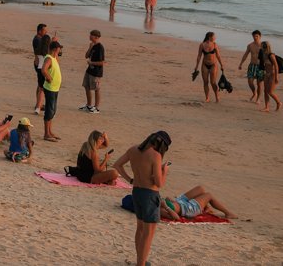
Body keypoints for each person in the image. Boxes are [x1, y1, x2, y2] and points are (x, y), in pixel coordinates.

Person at [113, 131, 172, 266]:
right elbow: (159, 183)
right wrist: (165, 171)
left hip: (137, 192)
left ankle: (141, 261)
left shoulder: (133, 149)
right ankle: (141, 263)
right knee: (149, 232)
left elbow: (117, 165)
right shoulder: (155, 155)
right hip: (150, 195)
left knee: (140, 229)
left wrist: (130, 179)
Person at [161, 185, 236, 220]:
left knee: (200, 188)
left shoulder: (153, 201)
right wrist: (166, 206)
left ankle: (206, 208)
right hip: (188, 209)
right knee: (209, 195)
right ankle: (228, 213)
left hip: (180, 202)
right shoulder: (157, 210)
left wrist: (169, 200)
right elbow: (176, 217)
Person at [194, 31, 225, 103]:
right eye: (214, 36)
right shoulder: (202, 45)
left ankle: (217, 96)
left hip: (213, 65)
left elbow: (218, 55)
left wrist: (222, 65)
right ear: (210, 37)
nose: (215, 38)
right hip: (204, 65)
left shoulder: (214, 45)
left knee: (213, 82)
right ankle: (207, 98)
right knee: (205, 82)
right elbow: (199, 56)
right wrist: (196, 66)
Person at [41, 40, 63, 142]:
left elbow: (57, 57)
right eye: (59, 49)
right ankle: (46, 134)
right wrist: (49, 78)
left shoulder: (54, 57)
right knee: (49, 111)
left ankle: (50, 132)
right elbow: (43, 69)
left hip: (55, 88)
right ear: (55, 49)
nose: (60, 50)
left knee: (52, 111)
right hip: (50, 88)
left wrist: (54, 42)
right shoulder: (49, 58)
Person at [80, 30, 105, 113]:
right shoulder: (93, 46)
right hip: (89, 70)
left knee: (96, 89)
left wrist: (92, 63)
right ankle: (89, 105)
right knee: (87, 87)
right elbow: (86, 56)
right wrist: (90, 47)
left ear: (96, 37)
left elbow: (102, 62)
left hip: (96, 72)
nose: (89, 37)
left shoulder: (100, 47)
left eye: (91, 35)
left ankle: (96, 107)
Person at [239, 30, 265, 102]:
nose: (255, 37)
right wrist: (241, 63)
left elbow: (268, 56)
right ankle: (254, 93)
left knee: (259, 84)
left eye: (256, 36)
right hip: (252, 65)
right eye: (254, 36)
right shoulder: (250, 45)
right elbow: (245, 55)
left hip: (260, 67)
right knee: (250, 82)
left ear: (260, 36)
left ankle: (258, 98)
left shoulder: (263, 46)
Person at [31, 23, 52, 114]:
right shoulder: (37, 40)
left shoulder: (39, 40)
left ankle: (38, 104)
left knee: (40, 86)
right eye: (44, 30)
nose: (46, 31)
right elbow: (45, 51)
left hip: (39, 65)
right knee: (43, 88)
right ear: (39, 31)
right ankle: (39, 105)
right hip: (41, 66)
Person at [258, 39, 281, 112]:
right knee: (265, 91)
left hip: (272, 75)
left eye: (262, 47)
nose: (260, 48)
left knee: (270, 92)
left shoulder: (271, 55)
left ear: (265, 47)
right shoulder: (263, 54)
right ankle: (267, 107)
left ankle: (279, 102)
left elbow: (276, 66)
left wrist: (276, 77)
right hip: (266, 74)